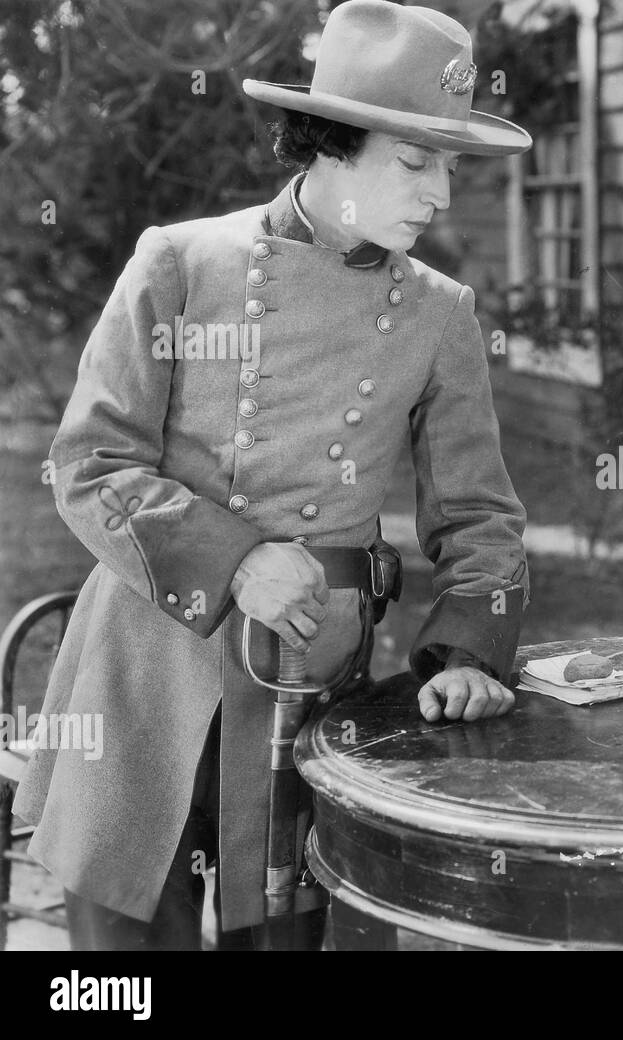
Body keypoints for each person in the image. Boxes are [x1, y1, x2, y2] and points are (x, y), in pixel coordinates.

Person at [16, 1, 530, 950]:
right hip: (146, 668)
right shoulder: (179, 263)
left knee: (283, 934)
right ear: (329, 144)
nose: (441, 195)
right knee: (124, 965)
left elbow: (480, 517)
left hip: (308, 678)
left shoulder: (439, 314)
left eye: (451, 167)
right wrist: (241, 557)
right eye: (416, 163)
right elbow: (87, 463)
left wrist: (467, 655)